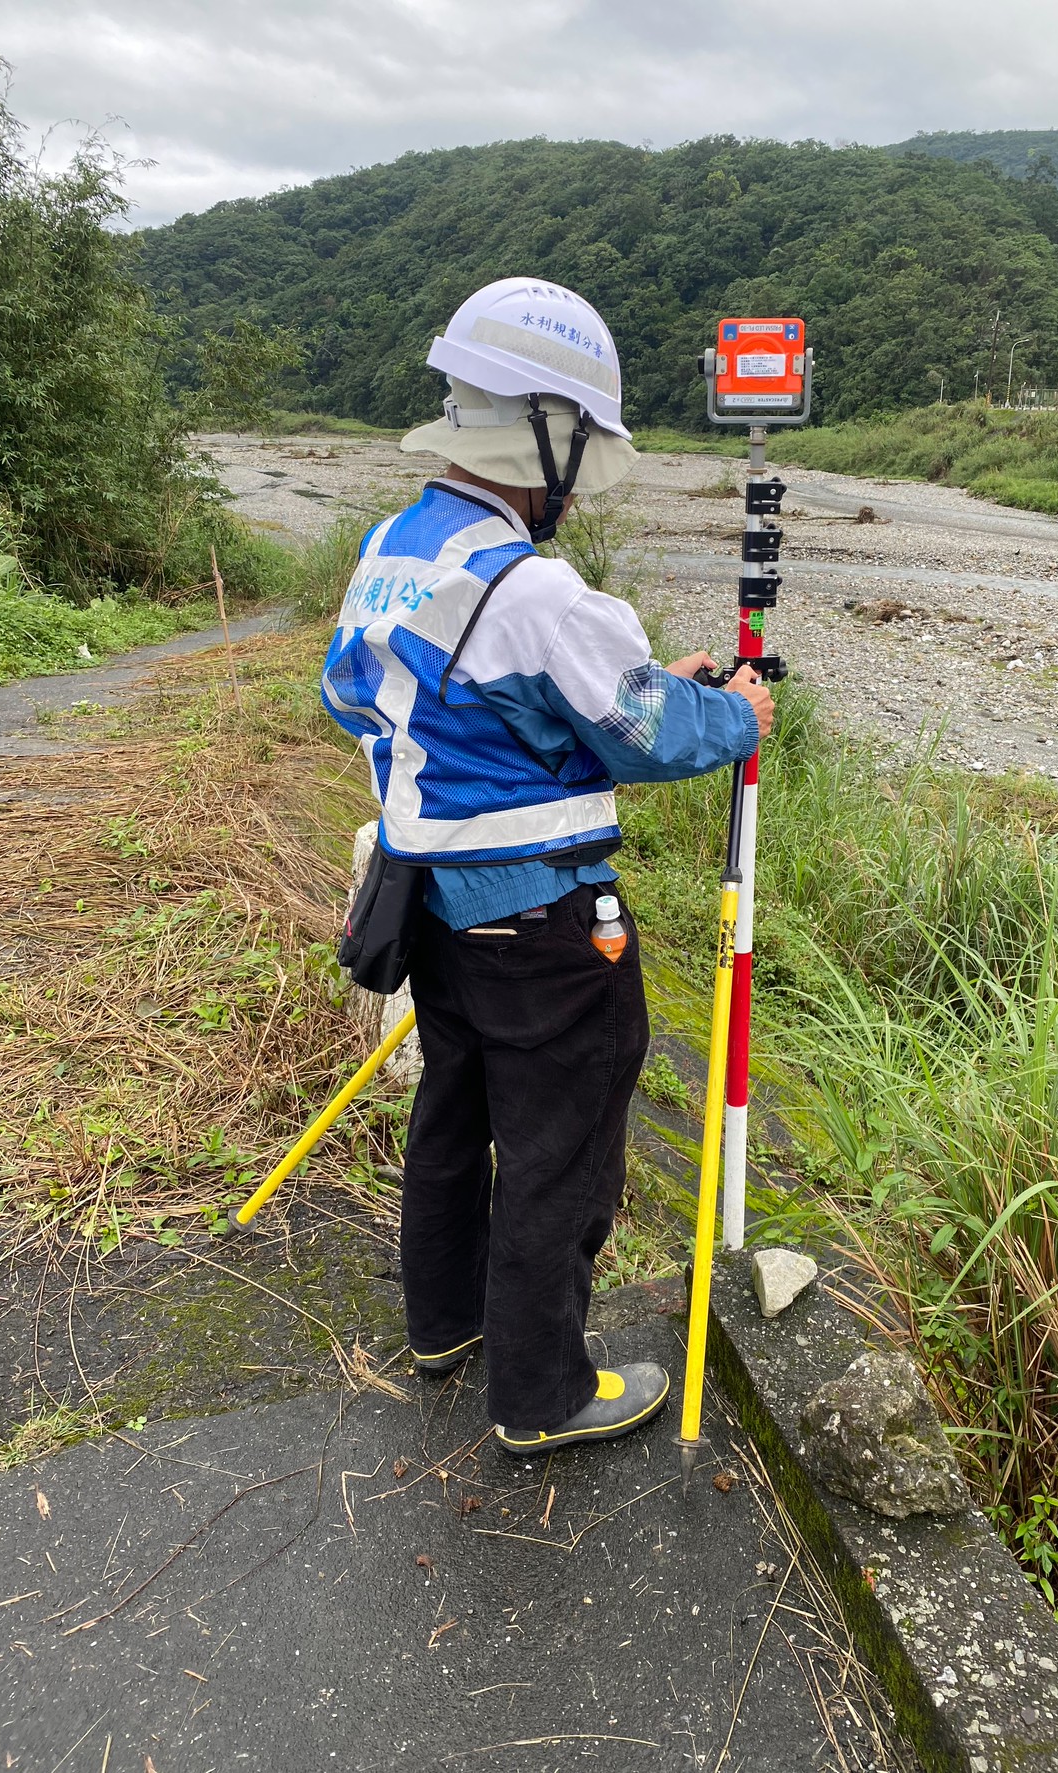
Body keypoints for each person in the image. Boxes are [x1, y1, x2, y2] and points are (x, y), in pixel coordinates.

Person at [321, 277, 773, 1454]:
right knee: (559, 1152)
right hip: (542, 927)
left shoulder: (394, 547)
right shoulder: (535, 586)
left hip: (429, 908)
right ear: (548, 432)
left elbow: (364, 697)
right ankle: (542, 1395)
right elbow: (656, 736)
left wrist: (592, 706)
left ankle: (445, 1326)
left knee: (452, 1111)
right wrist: (736, 716)